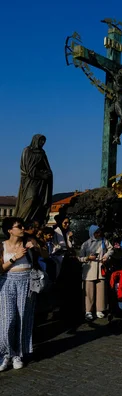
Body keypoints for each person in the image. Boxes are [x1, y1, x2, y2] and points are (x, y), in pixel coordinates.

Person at [0, 217, 36, 371]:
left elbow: (46, 257)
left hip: (26, 282)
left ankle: (18, 355)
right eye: (19, 226)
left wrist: (36, 247)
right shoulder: (2, 246)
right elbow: (1, 269)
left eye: (23, 226)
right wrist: (15, 257)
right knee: (7, 319)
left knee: (23, 318)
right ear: (9, 230)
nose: (22, 228)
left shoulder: (29, 243)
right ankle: (5, 353)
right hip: (7, 282)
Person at [15, 134, 53, 224]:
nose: (43, 143)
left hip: (40, 182)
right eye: (41, 140)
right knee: (31, 199)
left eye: (44, 141)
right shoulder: (27, 150)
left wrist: (47, 174)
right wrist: (40, 174)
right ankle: (20, 221)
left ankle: (34, 222)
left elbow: (47, 167)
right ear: (35, 140)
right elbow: (26, 168)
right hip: (29, 181)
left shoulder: (42, 153)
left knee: (39, 201)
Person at [79, 226, 113, 321]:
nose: (98, 234)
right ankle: (88, 311)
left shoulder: (104, 241)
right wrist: (88, 258)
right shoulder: (86, 244)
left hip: (100, 269)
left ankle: (100, 309)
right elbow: (80, 258)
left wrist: (106, 255)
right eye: (96, 233)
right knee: (89, 292)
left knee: (101, 291)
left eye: (99, 232)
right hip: (89, 271)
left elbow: (111, 249)